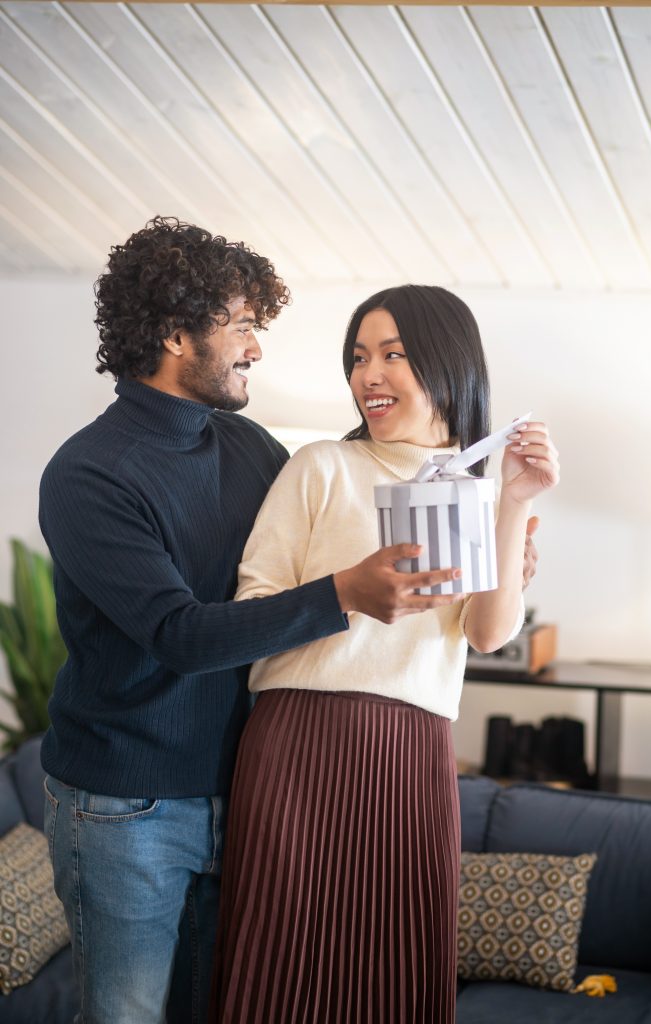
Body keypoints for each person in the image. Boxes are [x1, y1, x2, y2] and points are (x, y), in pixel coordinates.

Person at [38, 220, 472, 1024]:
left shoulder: (248, 446)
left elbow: (336, 513)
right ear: (175, 333)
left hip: (244, 789)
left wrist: (490, 534)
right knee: (126, 1014)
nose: (256, 350)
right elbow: (181, 635)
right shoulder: (87, 475)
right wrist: (343, 593)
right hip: (127, 806)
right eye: (242, 327)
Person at [209, 284, 559, 1023]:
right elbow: (248, 611)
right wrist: (345, 593)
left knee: (392, 973)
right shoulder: (320, 466)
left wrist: (516, 500)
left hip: (412, 752)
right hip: (298, 743)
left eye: (393, 354)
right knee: (280, 965)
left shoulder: (472, 491)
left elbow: (489, 634)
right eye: (359, 356)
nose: (369, 374)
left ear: (446, 365)